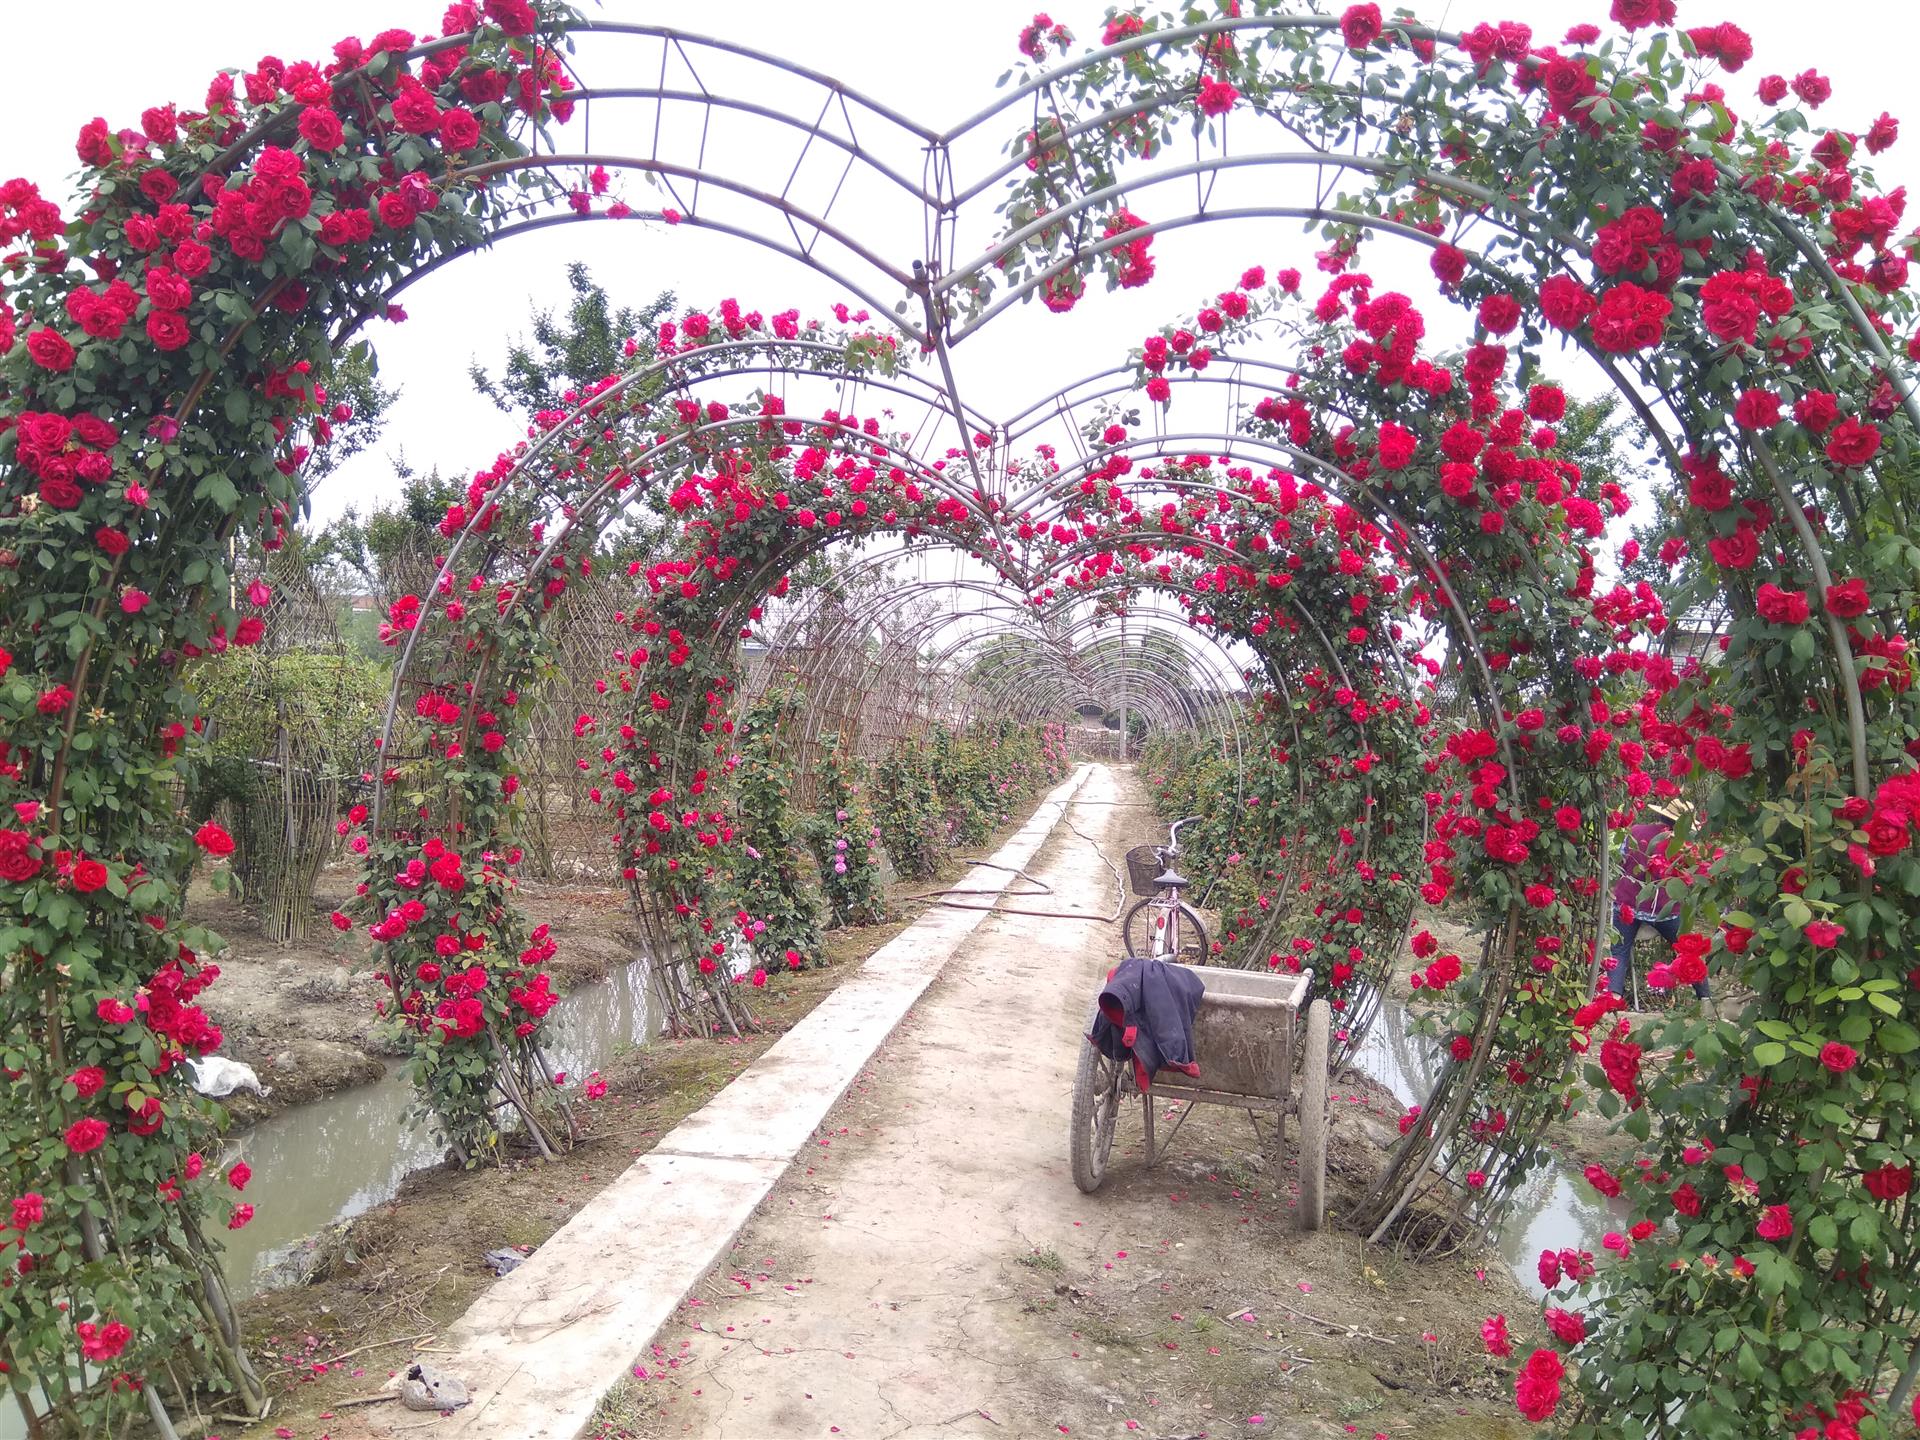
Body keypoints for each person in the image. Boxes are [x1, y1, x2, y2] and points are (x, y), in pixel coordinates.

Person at [1604, 801, 1712, 1005]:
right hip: (1666, 911)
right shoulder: (1685, 847)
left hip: (1628, 904)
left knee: (1619, 952)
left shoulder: (1634, 831)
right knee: (1688, 952)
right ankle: (1706, 1000)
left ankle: (1612, 1000)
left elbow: (1619, 861)